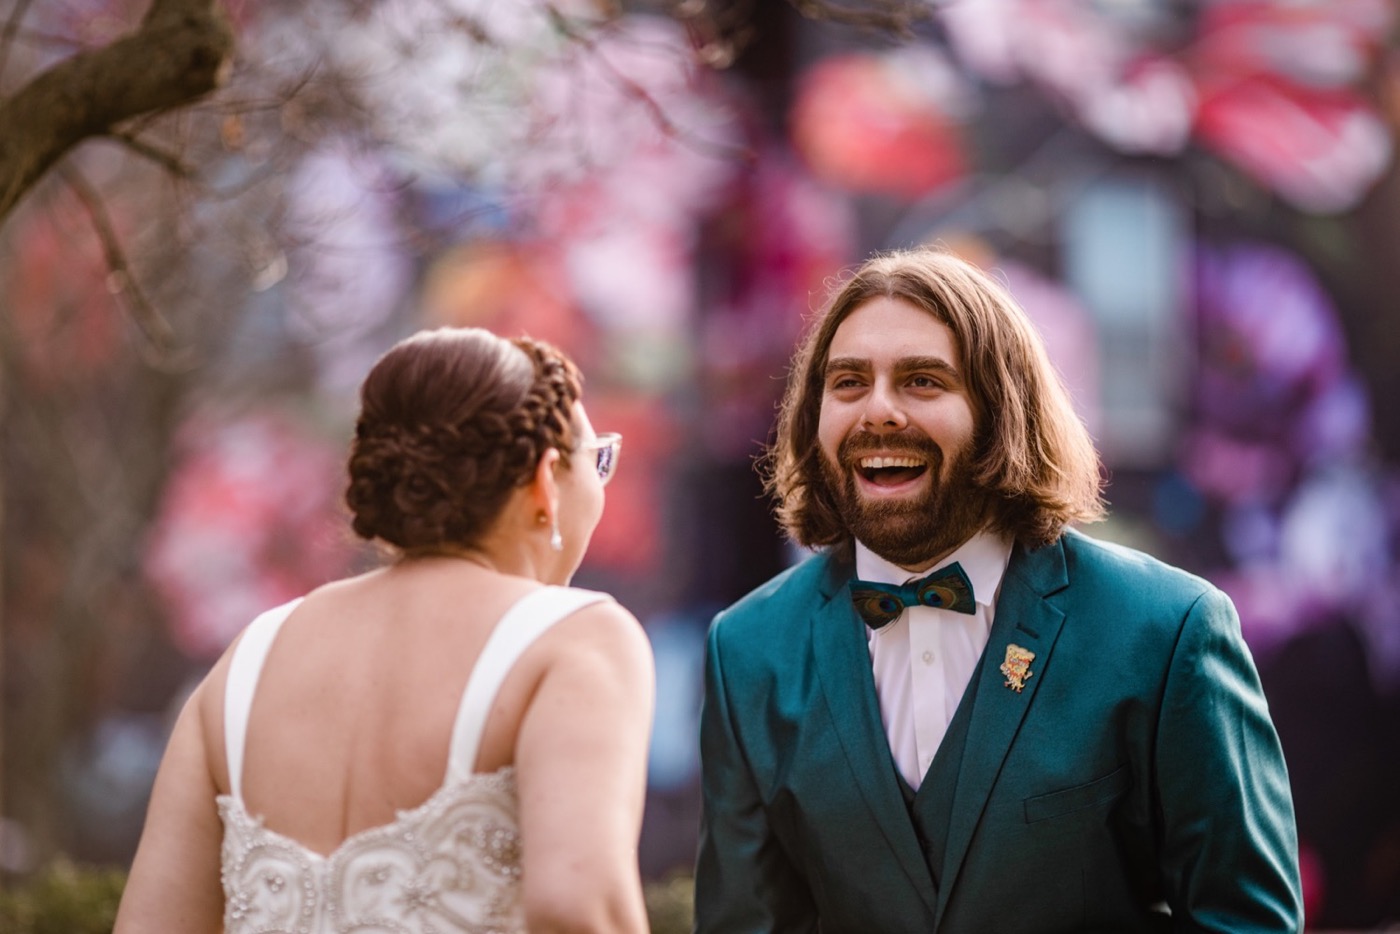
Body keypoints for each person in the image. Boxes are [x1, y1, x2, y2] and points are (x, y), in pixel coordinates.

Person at [695, 247, 1302, 932]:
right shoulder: (745, 650)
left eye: (923, 381)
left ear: (1001, 413)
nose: (880, 411)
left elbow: (1246, 923)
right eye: (849, 382)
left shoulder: (1168, 631)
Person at [116, 327, 655, 933]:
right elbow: (581, 909)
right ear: (544, 481)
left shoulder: (247, 662)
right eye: (598, 461)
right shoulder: (575, 639)